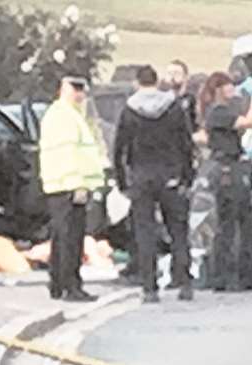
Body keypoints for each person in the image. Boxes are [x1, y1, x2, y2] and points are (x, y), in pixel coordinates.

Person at [114, 65, 195, 303]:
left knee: (145, 233)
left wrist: (123, 182)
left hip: (142, 176)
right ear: (157, 81)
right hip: (170, 174)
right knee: (178, 231)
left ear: (137, 83)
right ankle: (184, 283)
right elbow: (186, 143)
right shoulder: (173, 107)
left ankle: (150, 288)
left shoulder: (129, 110)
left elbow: (119, 148)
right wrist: (187, 176)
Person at [39, 74, 107, 302]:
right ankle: (71, 286)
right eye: (75, 88)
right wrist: (78, 185)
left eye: (82, 89)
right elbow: (68, 153)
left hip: (61, 184)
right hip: (69, 184)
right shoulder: (64, 116)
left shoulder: (67, 114)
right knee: (71, 238)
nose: (80, 94)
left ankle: (58, 284)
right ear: (63, 88)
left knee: (62, 237)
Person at [200, 72, 252, 292]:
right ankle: (225, 275)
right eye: (229, 87)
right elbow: (251, 122)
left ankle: (243, 273)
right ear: (220, 89)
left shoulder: (221, 111)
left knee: (244, 221)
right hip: (227, 169)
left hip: (231, 166)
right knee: (230, 223)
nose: (233, 90)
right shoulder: (219, 112)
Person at [164, 59, 197, 131]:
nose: (172, 77)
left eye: (176, 73)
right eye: (169, 73)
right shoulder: (162, 99)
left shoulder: (192, 99)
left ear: (186, 76)